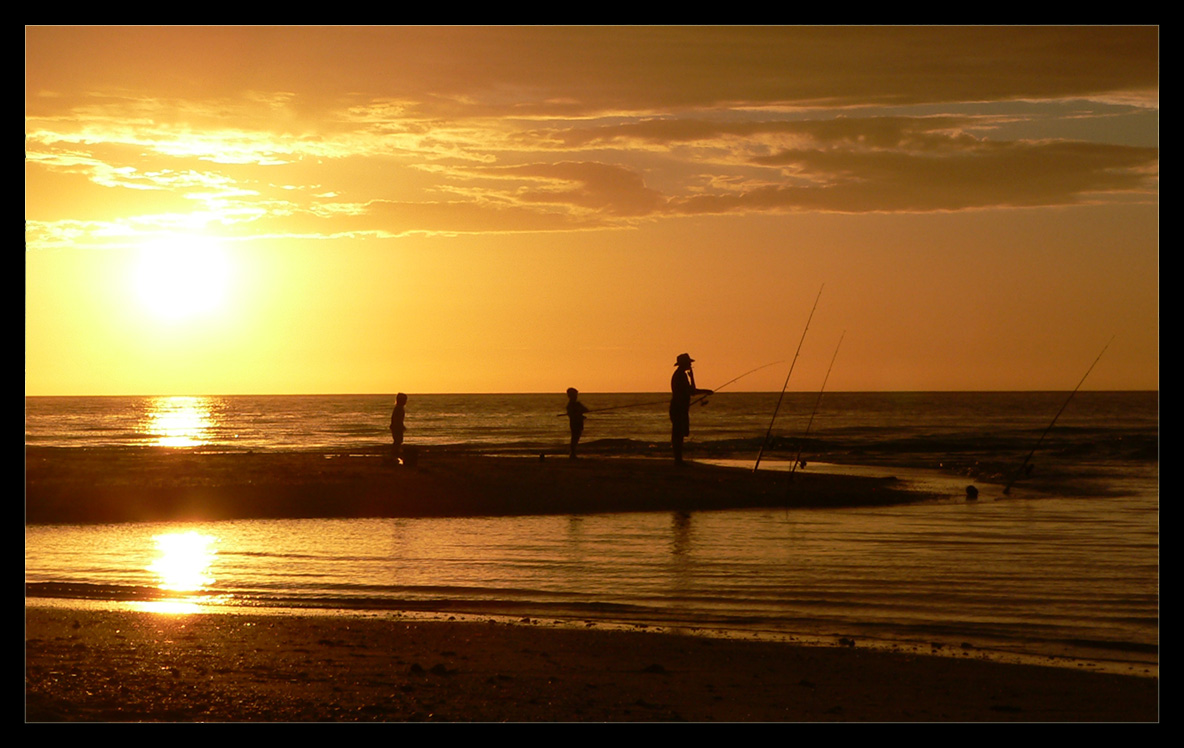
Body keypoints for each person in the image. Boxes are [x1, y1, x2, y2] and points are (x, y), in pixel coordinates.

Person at [670, 353, 711, 464]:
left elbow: (691, 391)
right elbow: (692, 391)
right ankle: (678, 460)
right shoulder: (680, 376)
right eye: (688, 363)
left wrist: (692, 378)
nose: (690, 364)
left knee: (679, 433)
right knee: (678, 434)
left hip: (679, 407)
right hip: (679, 408)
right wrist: (706, 391)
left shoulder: (680, 374)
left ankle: (678, 459)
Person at [565, 387, 589, 458]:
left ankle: (573, 453)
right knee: (575, 438)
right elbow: (573, 415)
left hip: (576, 423)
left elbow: (585, 410)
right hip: (575, 423)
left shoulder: (574, 404)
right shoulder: (572, 405)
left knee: (575, 438)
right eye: (575, 395)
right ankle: (572, 453)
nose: (576, 396)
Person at [389, 393, 408, 465]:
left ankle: (395, 455)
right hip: (397, 427)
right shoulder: (399, 409)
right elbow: (397, 419)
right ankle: (394, 455)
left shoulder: (399, 408)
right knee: (398, 441)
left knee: (398, 441)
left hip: (396, 427)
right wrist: (399, 426)